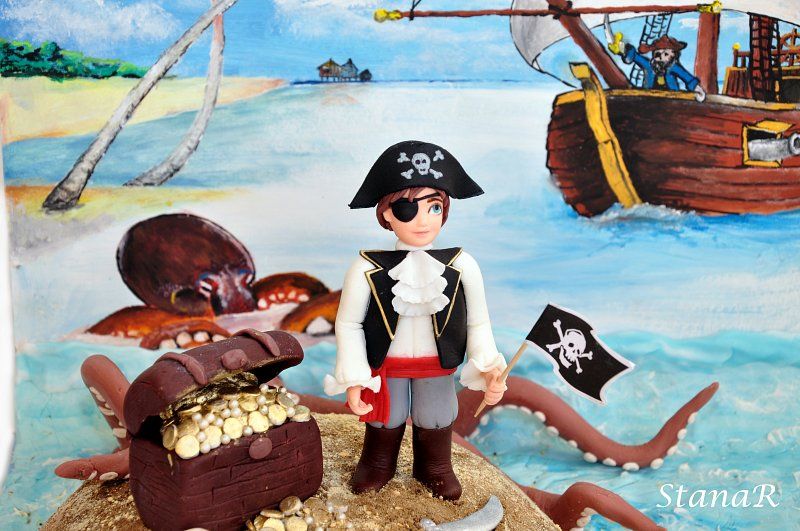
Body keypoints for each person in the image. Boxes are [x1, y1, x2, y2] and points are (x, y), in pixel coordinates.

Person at [323, 140, 507, 501]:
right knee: (385, 416)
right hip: (386, 366)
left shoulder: (462, 265)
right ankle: (377, 463)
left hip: (437, 364)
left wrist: (488, 366)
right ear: (386, 215)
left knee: (436, 414)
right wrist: (355, 376)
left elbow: (478, 323)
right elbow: (348, 324)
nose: (423, 220)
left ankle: (435, 466)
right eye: (407, 209)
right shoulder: (366, 268)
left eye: (433, 207)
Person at [615, 35, 706, 101]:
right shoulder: (649, 65)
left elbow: (686, 77)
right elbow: (635, 57)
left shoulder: (673, 67)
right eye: (657, 54)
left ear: (673, 55)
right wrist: (624, 51)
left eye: (666, 54)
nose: (661, 57)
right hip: (649, 96)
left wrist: (696, 88)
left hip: (672, 98)